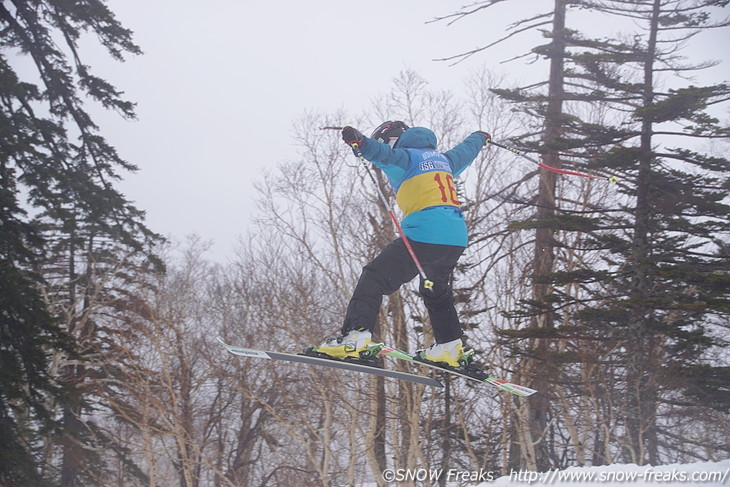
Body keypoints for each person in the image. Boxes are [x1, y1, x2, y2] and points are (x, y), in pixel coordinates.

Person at [305, 121, 491, 371]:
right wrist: (479, 136)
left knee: (375, 276)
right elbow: (466, 150)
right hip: (455, 237)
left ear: (392, 140)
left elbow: (380, 153)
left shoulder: (405, 158)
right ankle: (449, 347)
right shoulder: (444, 160)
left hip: (425, 232)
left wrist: (359, 142)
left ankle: (355, 339)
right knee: (435, 290)